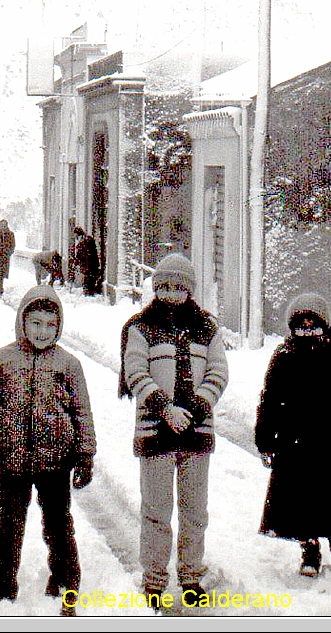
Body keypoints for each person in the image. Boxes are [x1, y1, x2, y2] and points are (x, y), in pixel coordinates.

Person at [0, 286, 96, 614]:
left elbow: (81, 411)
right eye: (35, 323)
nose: (42, 331)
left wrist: (85, 454)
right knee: (8, 526)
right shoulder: (0, 361)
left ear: (59, 326)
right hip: (11, 462)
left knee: (58, 524)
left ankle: (66, 580)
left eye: (50, 325)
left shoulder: (69, 365)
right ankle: (2, 586)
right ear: (22, 321)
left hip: (56, 462)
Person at [119, 253, 228, 607]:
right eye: (163, 286)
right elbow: (136, 372)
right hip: (156, 434)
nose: (170, 293)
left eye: (179, 287)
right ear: (154, 288)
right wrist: (165, 409)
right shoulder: (140, 327)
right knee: (156, 510)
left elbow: (218, 373)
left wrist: (195, 407)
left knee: (195, 511)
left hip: (196, 434)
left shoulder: (208, 328)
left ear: (190, 290)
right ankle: (153, 579)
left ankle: (191, 575)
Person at [255, 293, 331, 577]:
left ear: (325, 327)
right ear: (292, 329)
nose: (308, 332)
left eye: (314, 326)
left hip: (328, 440)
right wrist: (266, 441)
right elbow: (269, 401)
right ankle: (309, 548)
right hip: (292, 442)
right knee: (299, 497)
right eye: (301, 327)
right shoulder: (283, 358)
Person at [72, 226, 102, 297]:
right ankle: (87, 293)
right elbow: (79, 255)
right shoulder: (81, 243)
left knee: (90, 281)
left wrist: (86, 266)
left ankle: (89, 295)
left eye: (76, 235)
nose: (76, 237)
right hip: (86, 267)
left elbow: (89, 255)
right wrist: (76, 262)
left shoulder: (87, 241)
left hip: (91, 266)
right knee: (87, 281)